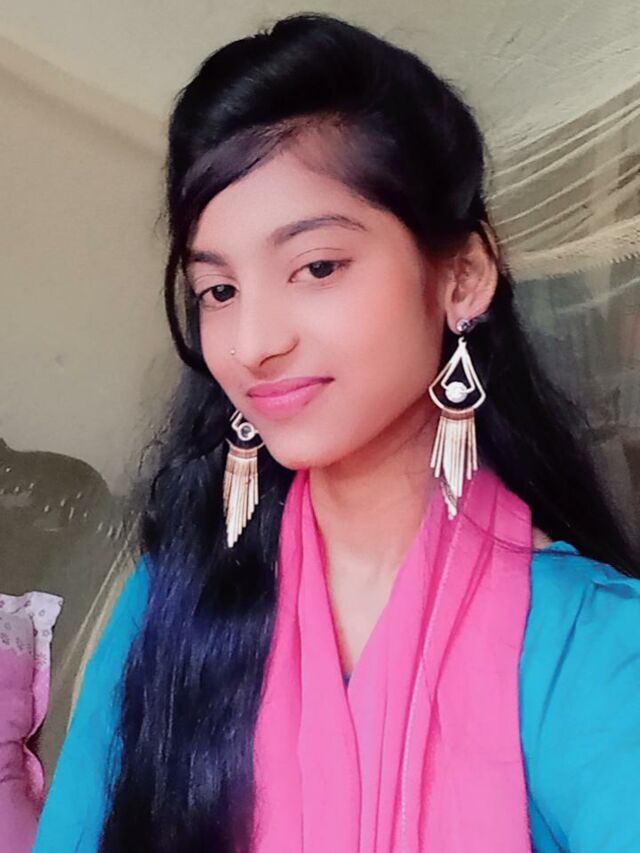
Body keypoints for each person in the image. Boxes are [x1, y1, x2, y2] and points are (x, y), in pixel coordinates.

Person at [32, 12, 639, 853]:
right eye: (219, 291)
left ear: (462, 277)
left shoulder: (590, 646)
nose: (253, 343)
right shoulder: (175, 599)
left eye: (316, 266)